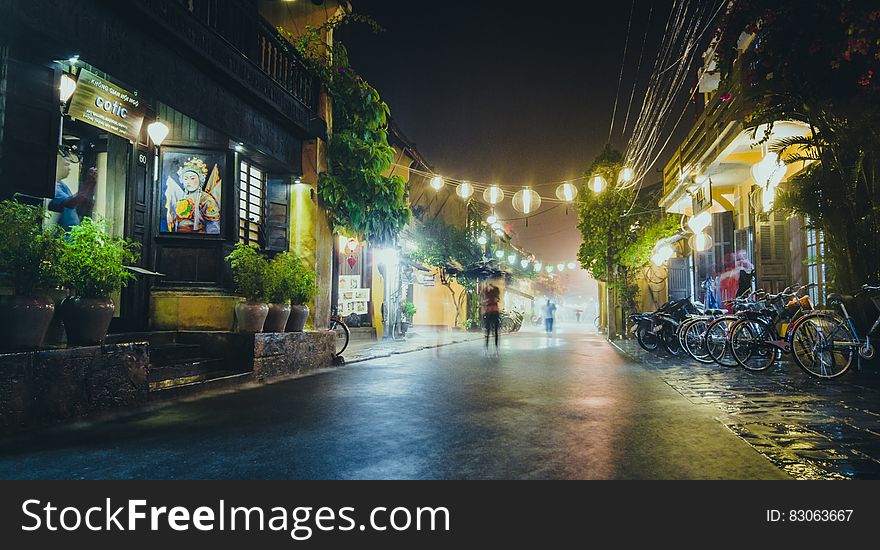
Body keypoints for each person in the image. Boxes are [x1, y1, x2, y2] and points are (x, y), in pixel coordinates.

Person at [48, 148, 96, 231]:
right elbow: (69, 203)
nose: (69, 169)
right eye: (66, 165)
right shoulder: (54, 186)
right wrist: (89, 183)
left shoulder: (63, 186)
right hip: (63, 237)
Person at [481, 283, 501, 355]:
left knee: (495, 331)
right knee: (488, 330)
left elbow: (497, 298)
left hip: (494, 311)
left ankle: (495, 348)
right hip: (489, 311)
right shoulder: (485, 290)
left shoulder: (495, 289)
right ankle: (487, 347)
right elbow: (483, 300)